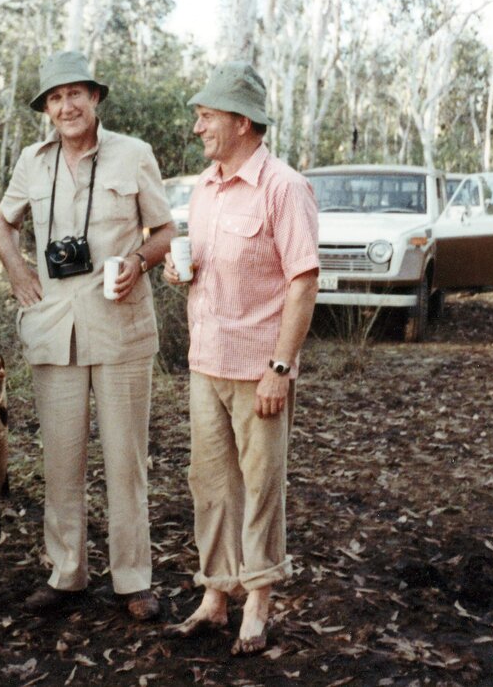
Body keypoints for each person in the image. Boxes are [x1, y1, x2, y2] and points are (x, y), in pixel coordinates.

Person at [0, 51, 175, 621]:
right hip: (54, 328)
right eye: (54, 97)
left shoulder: (134, 154)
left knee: (126, 460)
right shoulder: (32, 161)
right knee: (61, 459)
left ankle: (133, 579)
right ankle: (66, 572)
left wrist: (138, 263)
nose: (65, 106)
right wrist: (20, 274)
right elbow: (1, 223)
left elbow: (165, 230)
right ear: (46, 109)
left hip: (119, 325)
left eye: (75, 94)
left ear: (96, 98)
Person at [161, 62, 319, 656]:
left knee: (260, 485)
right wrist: (179, 272)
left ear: (243, 122)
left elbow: (303, 282)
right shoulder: (204, 187)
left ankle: (258, 599)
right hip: (207, 362)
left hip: (259, 368)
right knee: (212, 485)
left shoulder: (284, 186)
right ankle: (215, 595)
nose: (198, 125)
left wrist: (281, 367)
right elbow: (201, 267)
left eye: (207, 115)